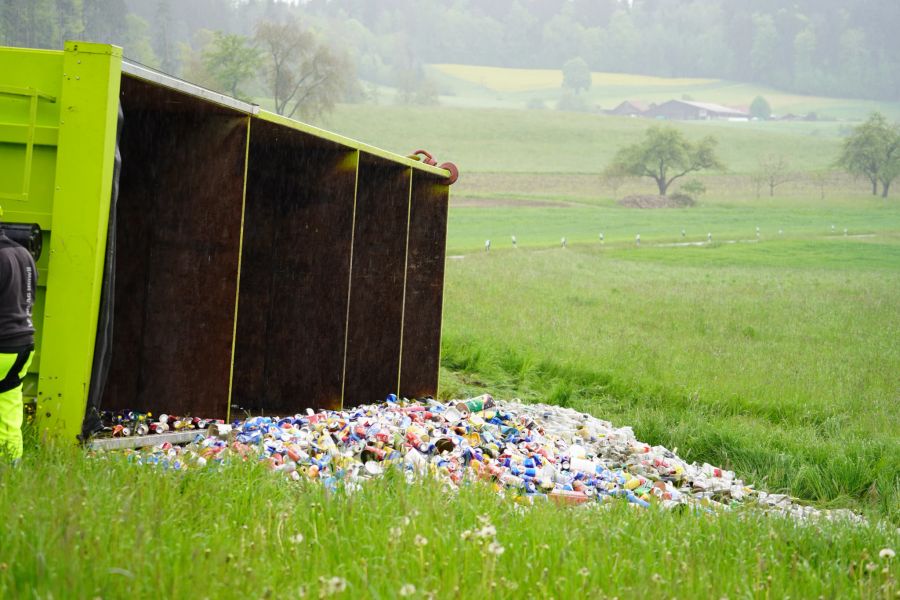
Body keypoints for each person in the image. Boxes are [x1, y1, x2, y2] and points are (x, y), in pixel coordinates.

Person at [0, 206, 37, 461]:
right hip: (24, 345)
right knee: (8, 411)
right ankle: (11, 470)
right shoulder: (24, 253)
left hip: (2, 346)